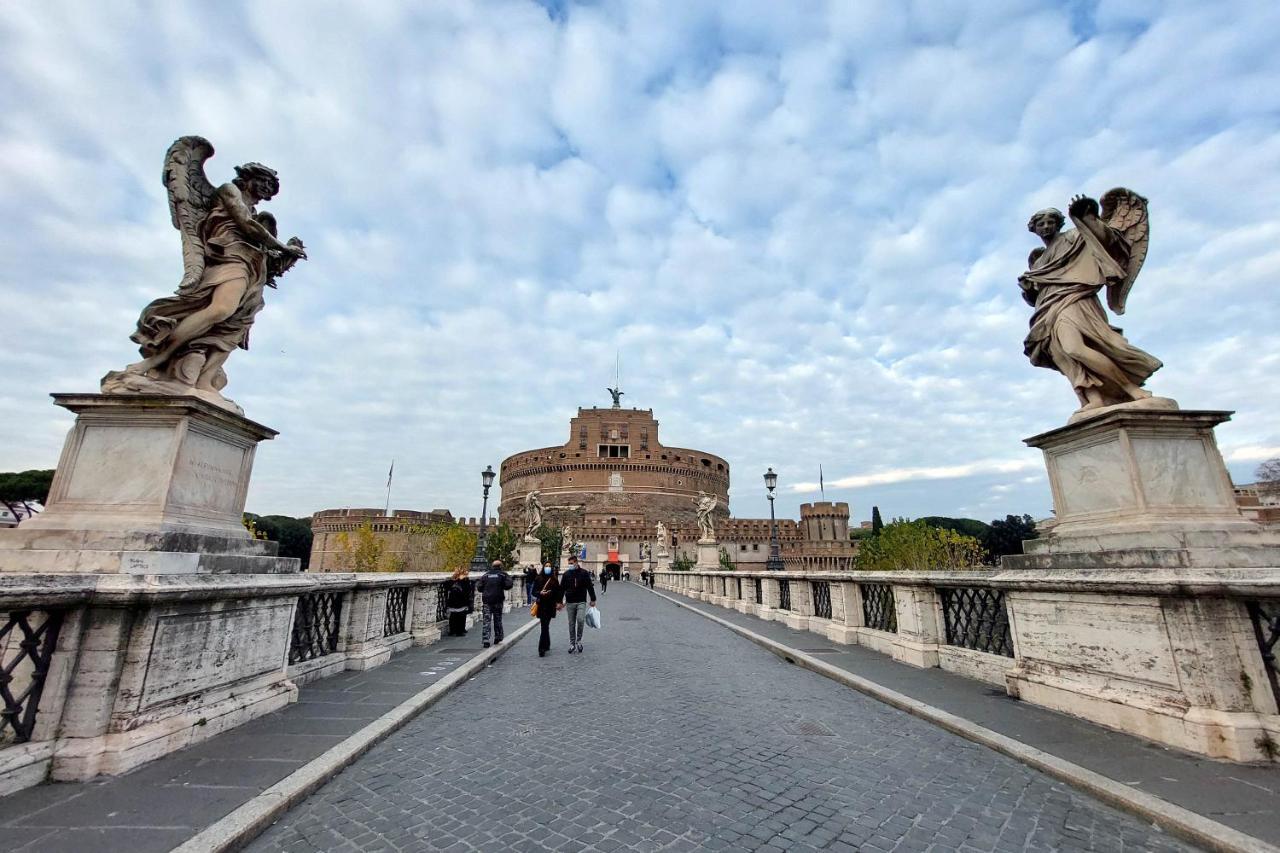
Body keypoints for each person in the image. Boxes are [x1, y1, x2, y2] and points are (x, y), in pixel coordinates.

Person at [560, 555, 597, 654]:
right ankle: (572, 643)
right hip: (570, 602)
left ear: (576, 563)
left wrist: (593, 599)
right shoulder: (566, 574)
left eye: (571, 563)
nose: (570, 565)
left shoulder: (584, 573)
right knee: (571, 623)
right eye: (569, 564)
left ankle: (579, 640)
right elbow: (562, 589)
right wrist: (559, 602)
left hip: (581, 601)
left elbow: (590, 586)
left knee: (580, 620)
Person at [477, 560, 514, 647]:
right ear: (500, 566)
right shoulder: (502, 574)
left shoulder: (485, 575)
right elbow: (509, 585)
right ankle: (498, 637)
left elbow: (479, 587)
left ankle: (486, 640)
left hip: (487, 600)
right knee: (498, 619)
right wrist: (501, 585)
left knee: (486, 621)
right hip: (498, 600)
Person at [534, 563, 563, 658]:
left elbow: (559, 592)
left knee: (546, 625)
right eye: (546, 566)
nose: (548, 568)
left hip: (550, 605)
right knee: (544, 626)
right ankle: (542, 648)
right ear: (543, 568)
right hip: (541, 605)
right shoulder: (538, 578)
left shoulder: (554, 579)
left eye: (549, 566)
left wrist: (559, 602)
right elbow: (533, 591)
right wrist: (540, 592)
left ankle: (546, 644)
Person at [445, 567, 473, 637]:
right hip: (462, 601)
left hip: (452, 601)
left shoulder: (452, 580)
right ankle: (460, 631)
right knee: (461, 616)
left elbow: (447, 588)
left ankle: (452, 631)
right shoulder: (465, 581)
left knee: (453, 616)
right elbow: (468, 591)